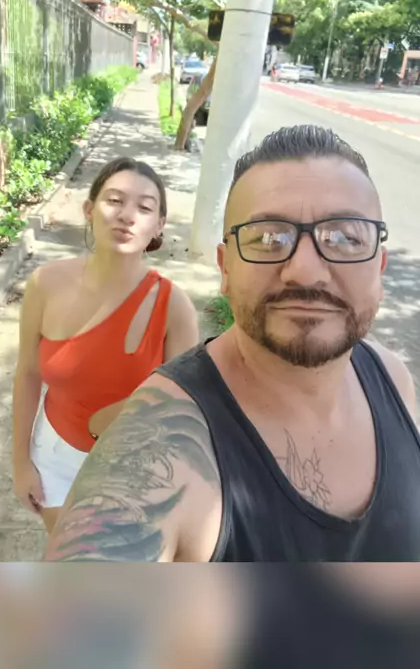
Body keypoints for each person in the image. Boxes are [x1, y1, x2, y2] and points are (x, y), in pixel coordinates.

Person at [45, 125, 419, 562]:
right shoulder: (162, 445)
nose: (305, 271)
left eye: (344, 237)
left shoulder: (393, 379)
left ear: (379, 267)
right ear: (225, 268)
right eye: (268, 238)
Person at [12, 156, 199, 533]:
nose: (127, 215)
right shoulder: (44, 284)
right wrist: (20, 462)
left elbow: (182, 412)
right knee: (67, 553)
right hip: (53, 457)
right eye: (114, 200)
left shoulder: (174, 308)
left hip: (131, 469)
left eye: (144, 207)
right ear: (89, 209)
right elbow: (28, 374)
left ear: (159, 224)